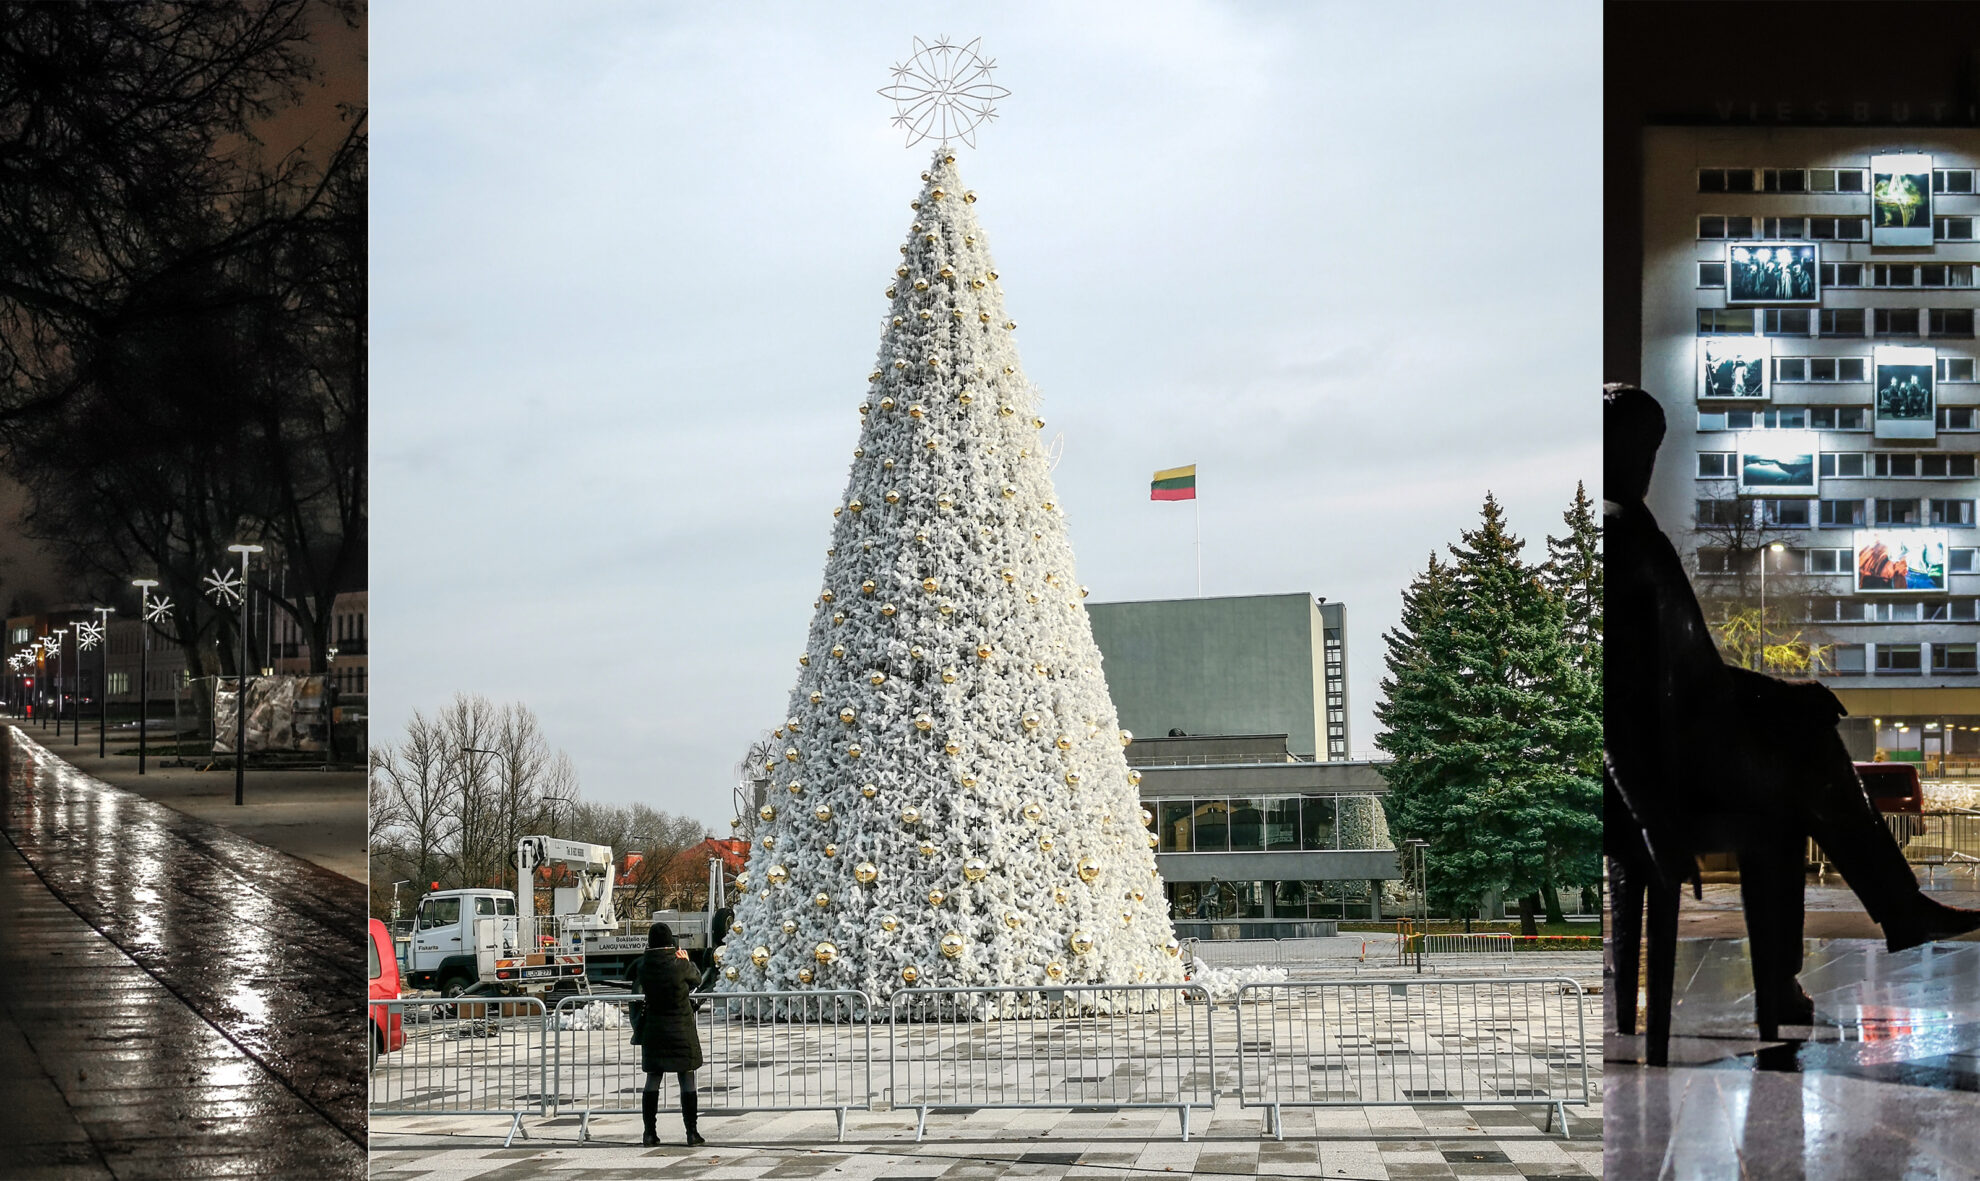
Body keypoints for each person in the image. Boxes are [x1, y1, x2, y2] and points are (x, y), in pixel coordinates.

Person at [1604, 385, 1980, 1022]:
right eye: (1641, 449)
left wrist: (1779, 692)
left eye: (1652, 450)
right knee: (1800, 759)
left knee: (1797, 757)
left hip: (1673, 750)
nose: (1647, 464)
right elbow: (1655, 688)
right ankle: (1889, 910)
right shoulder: (1623, 539)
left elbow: (1693, 669)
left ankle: (1829, 954)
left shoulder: (1627, 532)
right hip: (1665, 765)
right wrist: (1647, 815)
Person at [638, 922, 706, 1147]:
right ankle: (691, 1132)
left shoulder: (644, 966)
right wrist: (686, 960)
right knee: (687, 1078)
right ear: (671, 942)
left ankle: (649, 1132)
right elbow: (697, 979)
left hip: (654, 1030)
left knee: (653, 1079)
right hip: (680, 1029)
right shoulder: (679, 965)